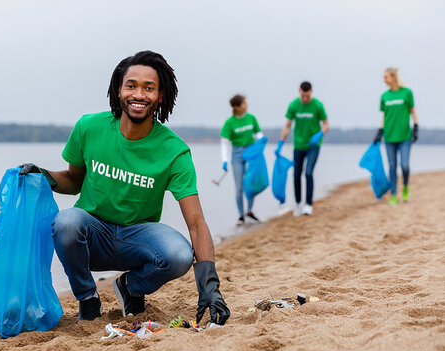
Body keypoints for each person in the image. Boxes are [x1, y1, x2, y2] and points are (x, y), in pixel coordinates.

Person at [18, 51, 230, 326]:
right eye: (131, 85)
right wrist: (43, 175)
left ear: (161, 96)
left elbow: (196, 222)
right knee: (67, 221)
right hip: (92, 235)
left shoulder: (174, 151)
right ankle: (88, 298)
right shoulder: (89, 127)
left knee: (178, 254)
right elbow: (73, 181)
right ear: (118, 90)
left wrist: (210, 287)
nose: (139, 94)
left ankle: (130, 287)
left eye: (149, 88)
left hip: (137, 239)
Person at [275, 81, 329, 216]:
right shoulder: (294, 105)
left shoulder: (317, 105)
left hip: (313, 145)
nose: (305, 99)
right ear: (300, 91)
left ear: (311, 92)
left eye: (307, 96)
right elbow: (287, 125)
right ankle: (298, 203)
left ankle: (309, 204)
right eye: (302, 95)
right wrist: (281, 142)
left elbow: (326, 125)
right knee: (296, 174)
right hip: (298, 145)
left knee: (309, 173)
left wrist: (320, 134)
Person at [373, 67, 418, 205]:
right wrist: (379, 132)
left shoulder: (407, 93)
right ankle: (393, 194)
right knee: (392, 166)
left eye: (386, 77)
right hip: (389, 137)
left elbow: (412, 111)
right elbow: (384, 117)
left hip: (404, 136)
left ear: (394, 77)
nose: (384, 80)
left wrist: (416, 127)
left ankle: (405, 187)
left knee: (404, 165)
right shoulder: (384, 96)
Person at [220, 95, 264, 225]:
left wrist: (262, 140)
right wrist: (224, 160)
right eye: (244, 104)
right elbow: (224, 142)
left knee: (251, 183)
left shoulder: (251, 118)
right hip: (237, 155)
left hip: (251, 153)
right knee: (239, 187)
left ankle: (249, 211)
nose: (247, 105)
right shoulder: (230, 123)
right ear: (237, 107)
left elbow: (258, 134)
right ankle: (241, 215)